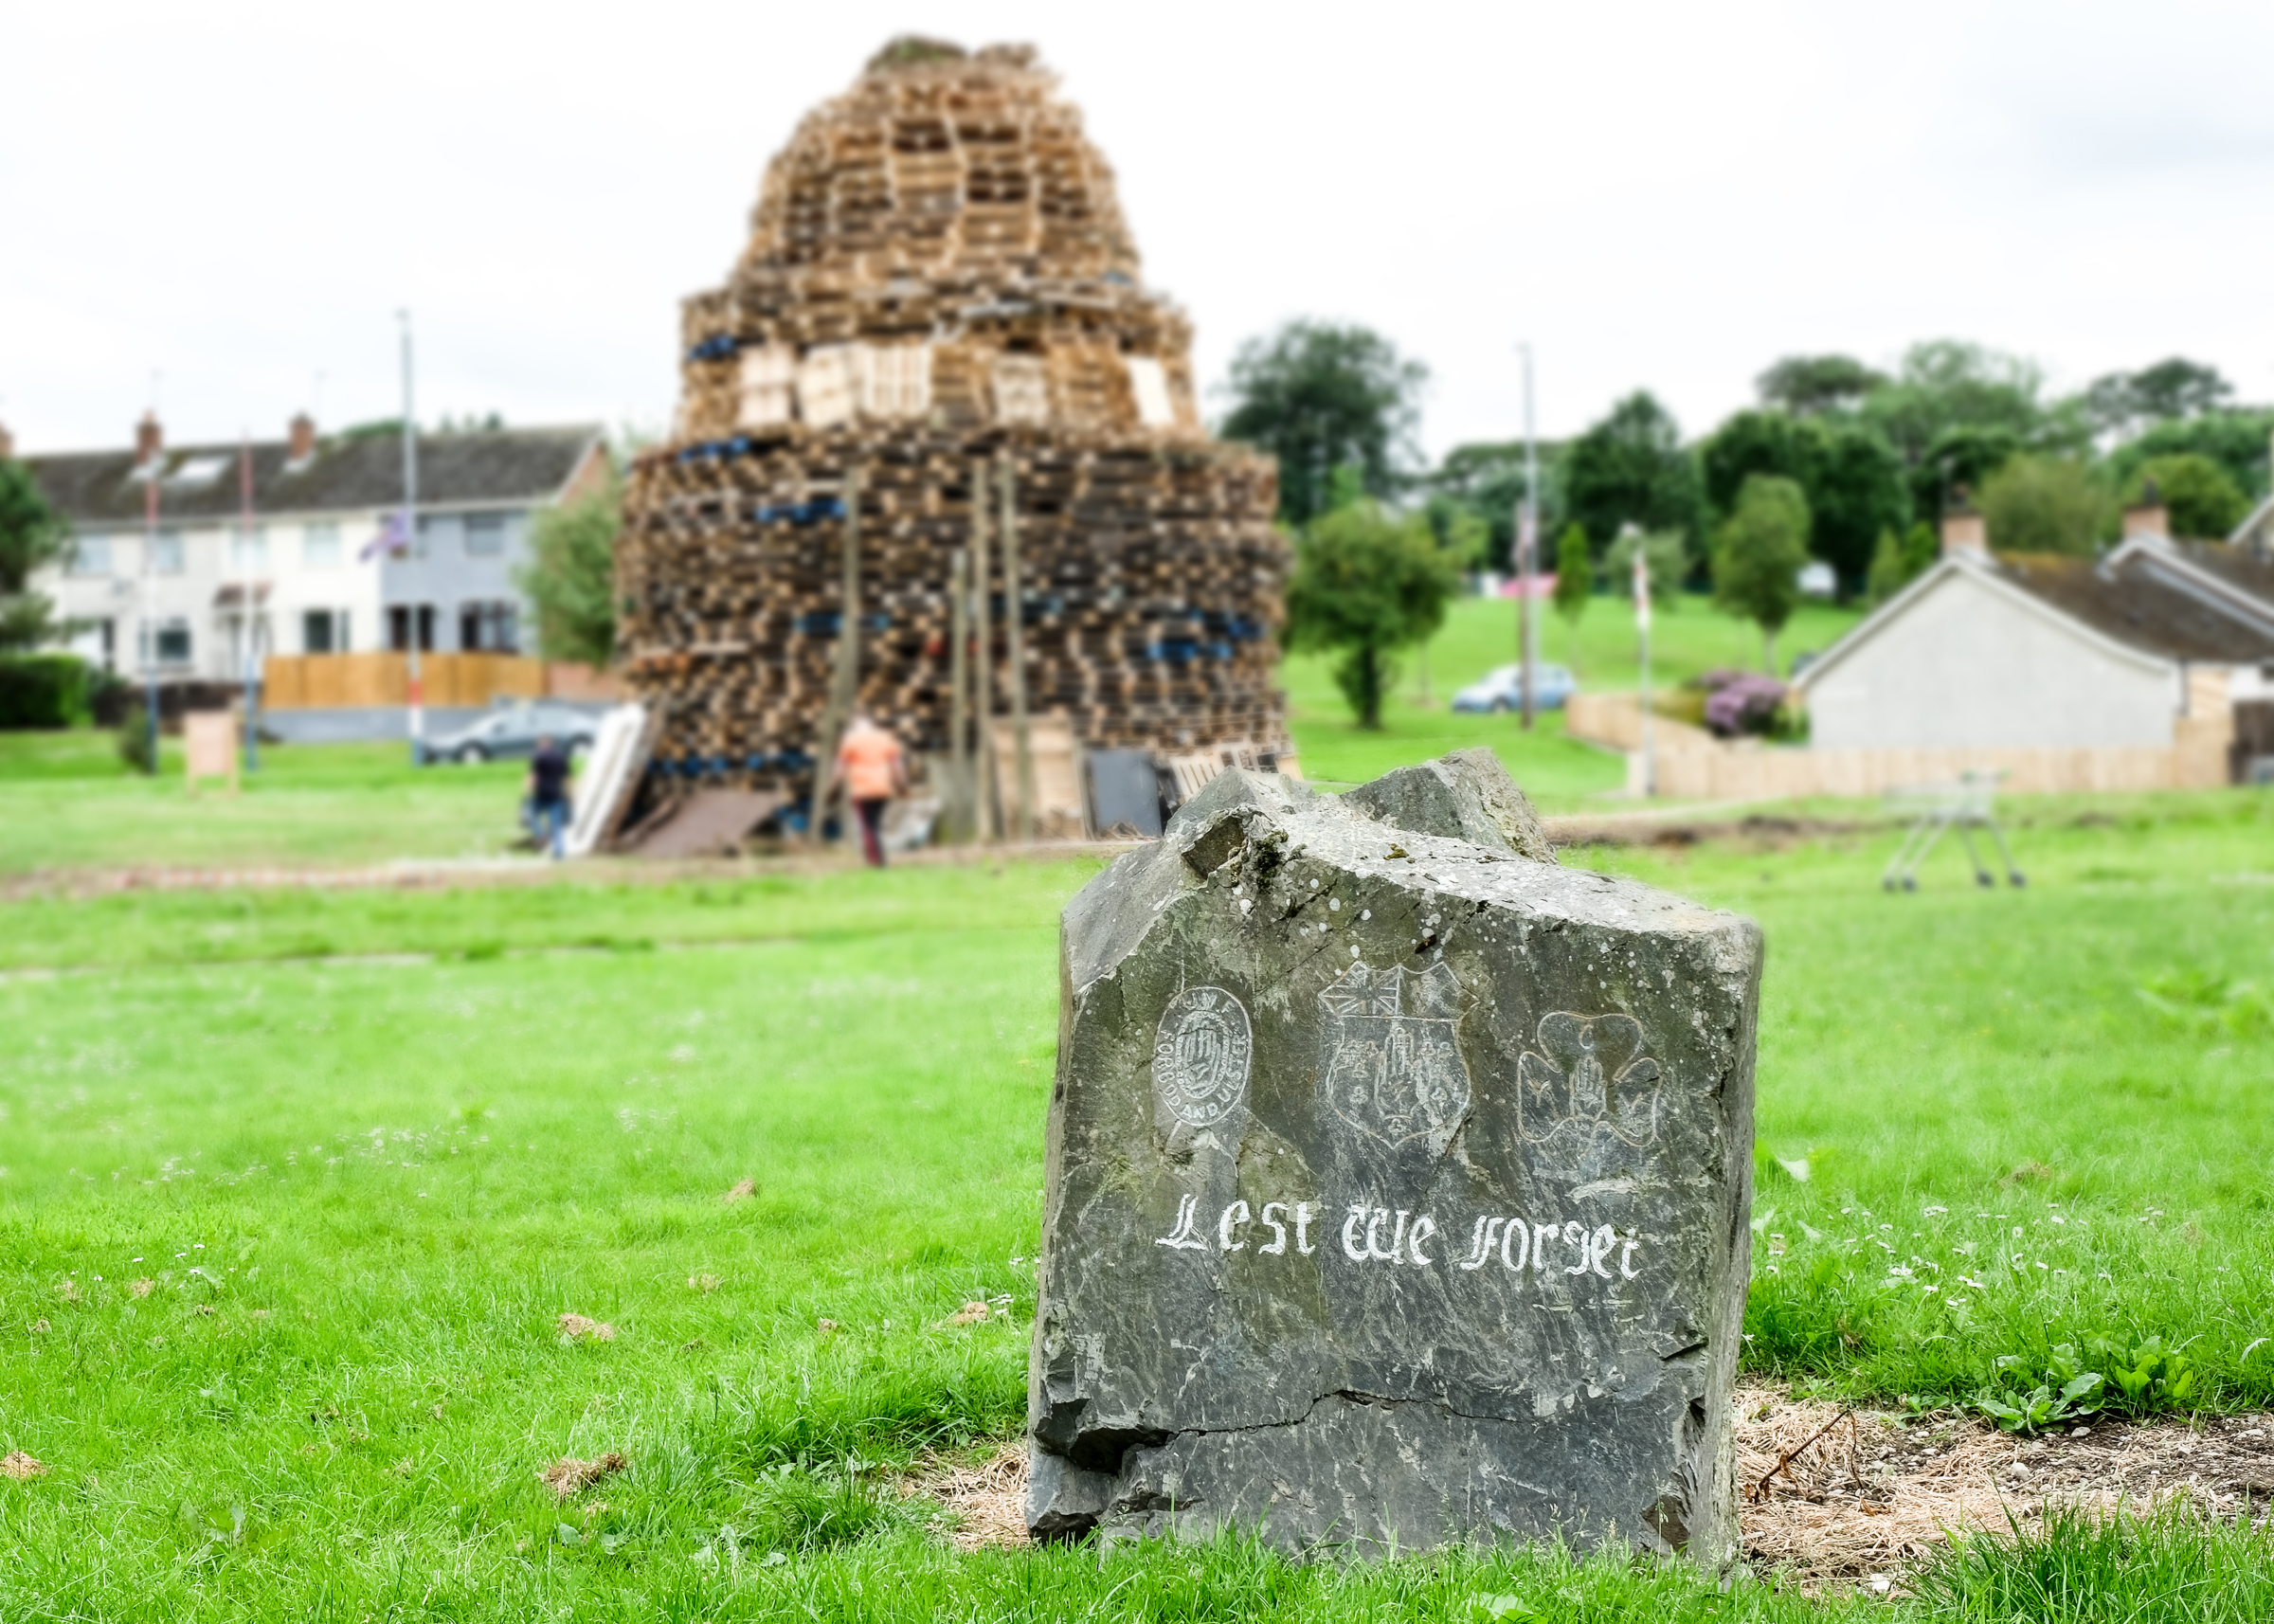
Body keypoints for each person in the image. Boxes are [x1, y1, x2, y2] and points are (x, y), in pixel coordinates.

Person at [834, 711, 906, 866]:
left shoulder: (850, 739)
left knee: (867, 826)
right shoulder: (885, 737)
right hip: (883, 787)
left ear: (856, 723)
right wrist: (901, 785)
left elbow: (841, 766)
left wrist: (834, 786)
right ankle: (874, 857)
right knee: (875, 824)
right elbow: (896, 765)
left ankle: (876, 861)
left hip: (862, 789)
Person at [528, 734, 573, 859]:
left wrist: (528, 790)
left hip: (541, 795)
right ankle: (559, 852)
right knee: (556, 825)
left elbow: (534, 776)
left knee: (530, 814)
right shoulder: (560, 757)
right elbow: (567, 777)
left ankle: (541, 833)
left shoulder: (539, 756)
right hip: (557, 795)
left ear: (543, 744)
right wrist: (571, 794)